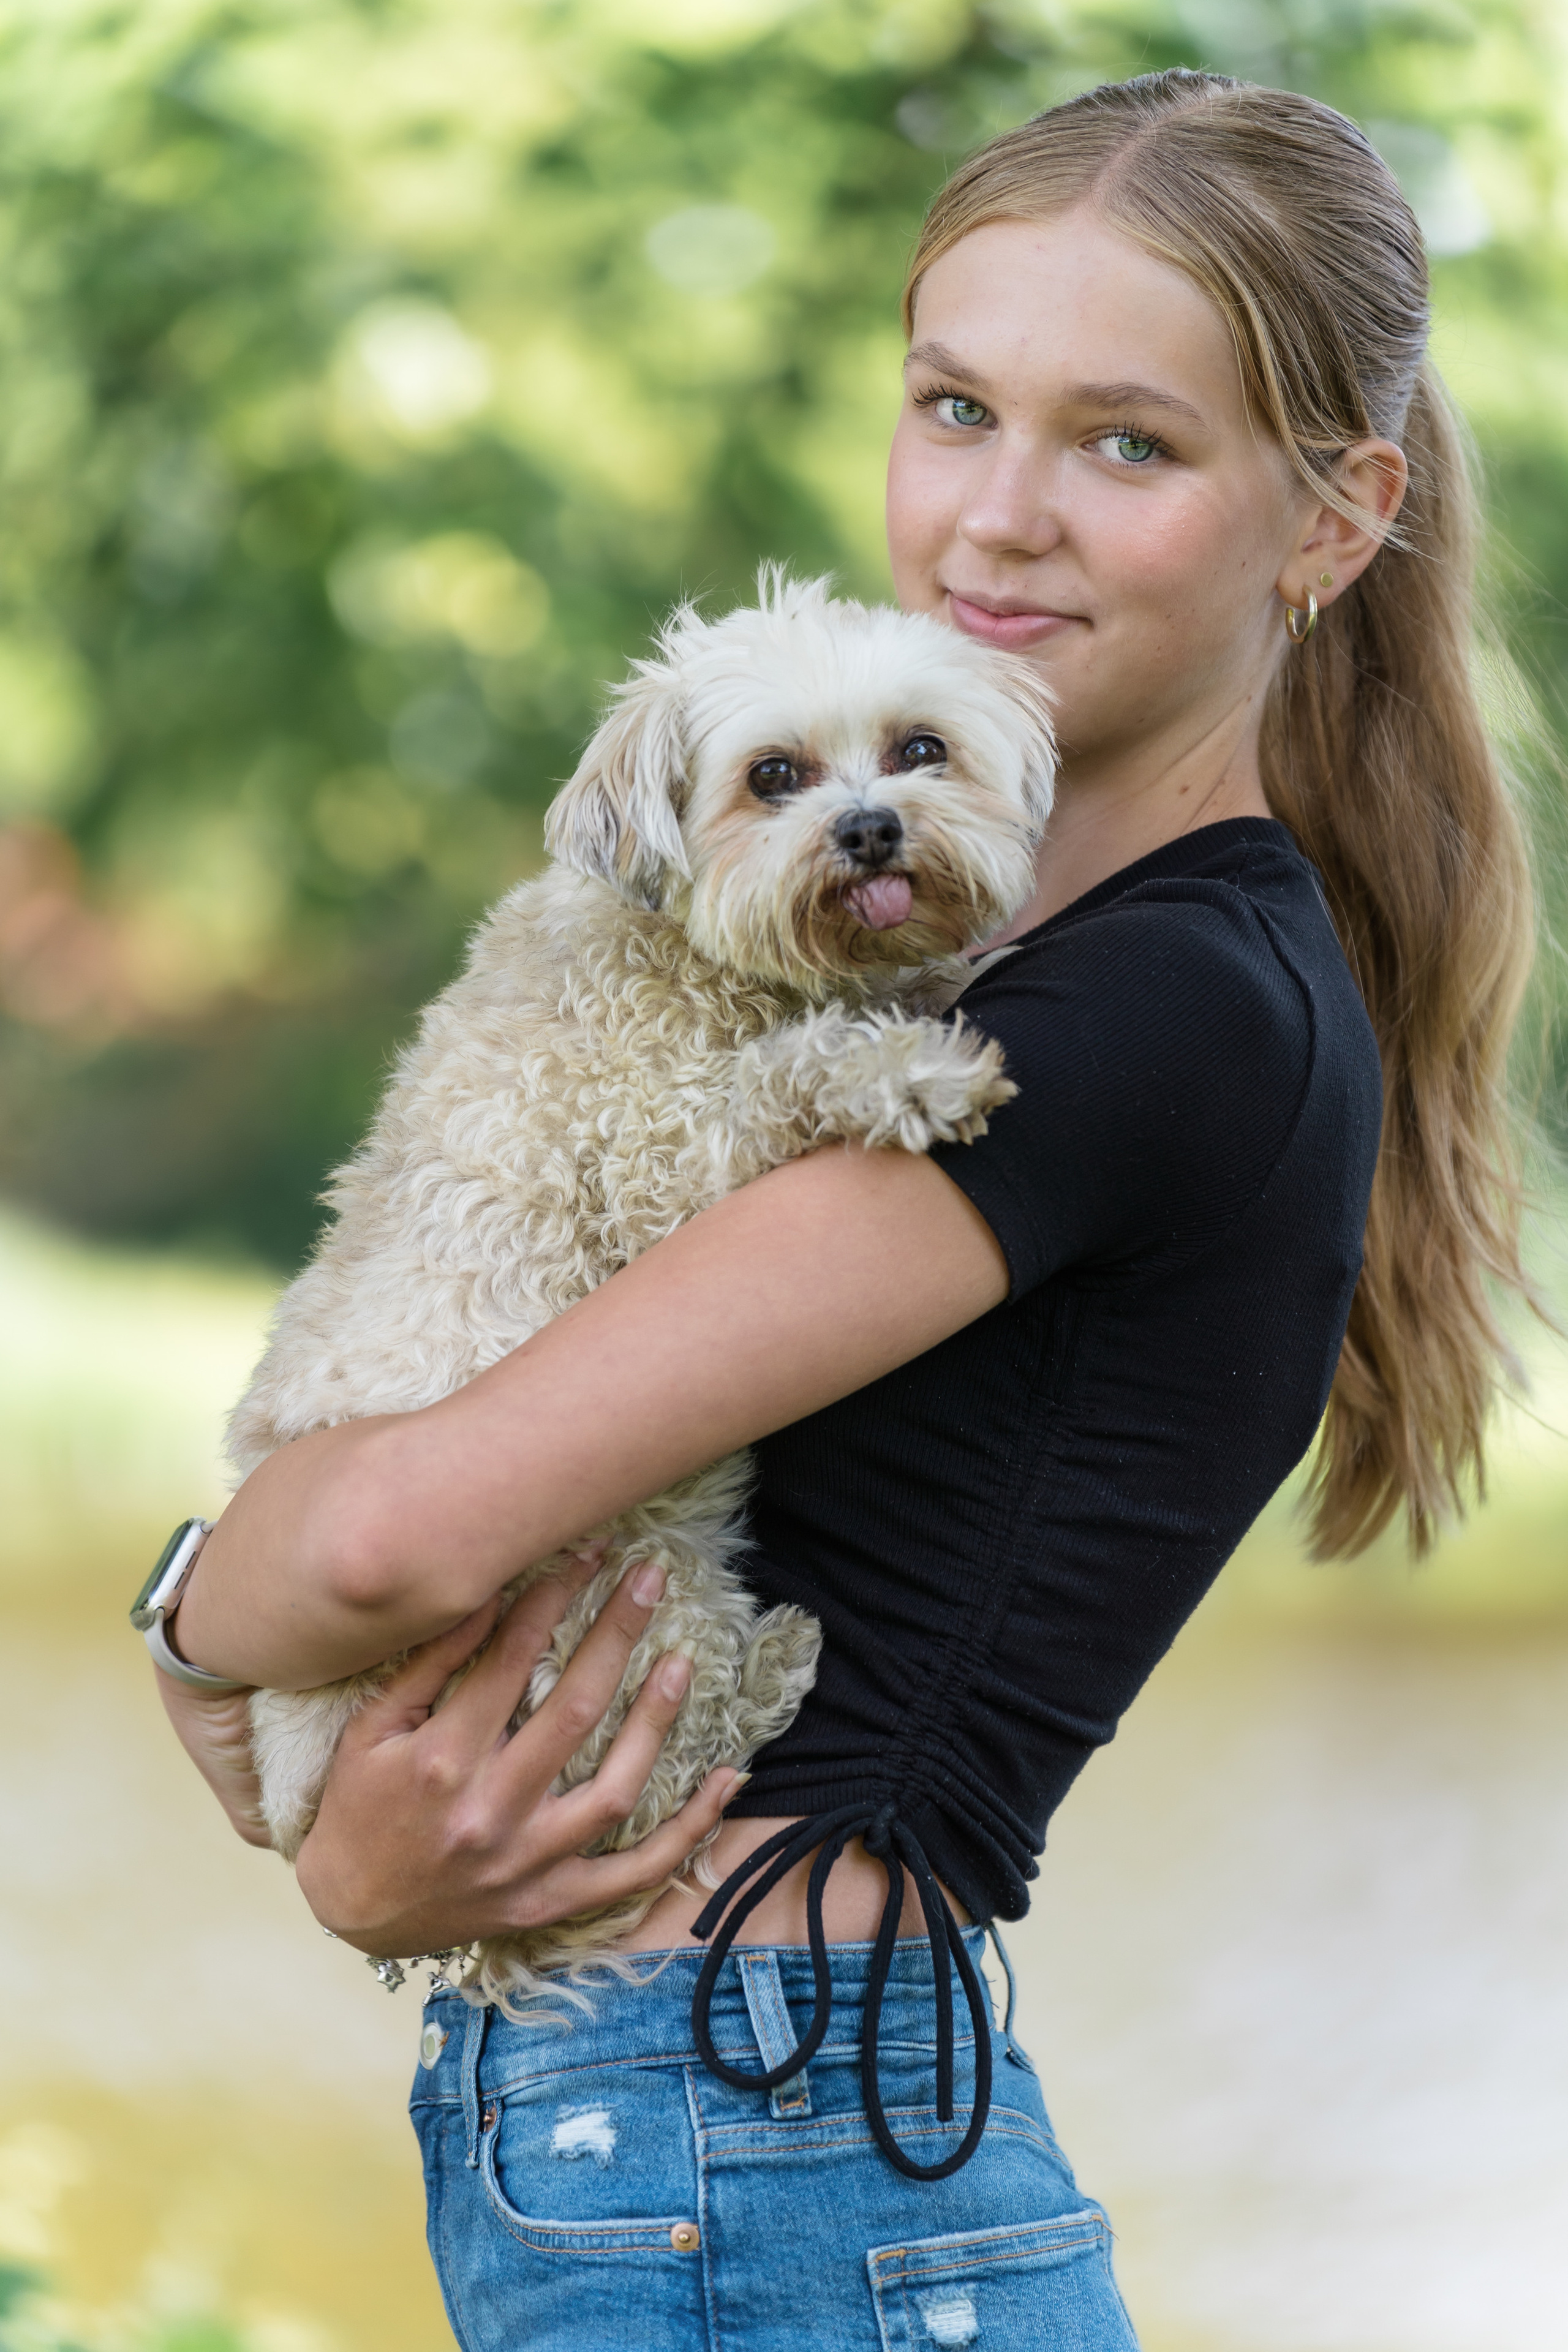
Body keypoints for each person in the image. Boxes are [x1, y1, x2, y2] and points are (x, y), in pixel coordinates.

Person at [152, 69, 1535, 2351]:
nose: (996, 522)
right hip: (745, 2136)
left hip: (750, 2150)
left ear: (1332, 516)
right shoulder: (1083, 967)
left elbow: (391, 1540)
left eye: (1129, 443)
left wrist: (203, 1619)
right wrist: (347, 1832)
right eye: (954, 406)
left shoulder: (1132, 1022)